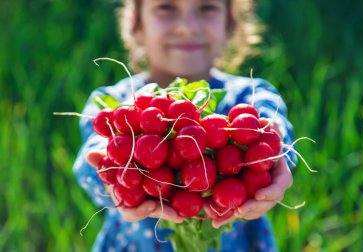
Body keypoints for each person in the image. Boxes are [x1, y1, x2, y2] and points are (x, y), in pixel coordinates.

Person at [73, 0, 296, 251]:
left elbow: (276, 129)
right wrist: (111, 170)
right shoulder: (117, 102)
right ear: (136, 23)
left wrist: (278, 151)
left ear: (230, 23)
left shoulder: (251, 93)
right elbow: (91, 157)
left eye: (207, 8)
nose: (187, 27)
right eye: (166, 7)